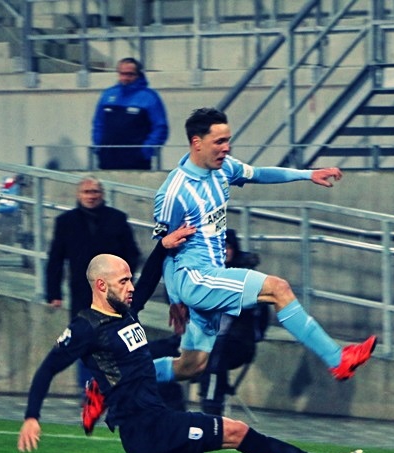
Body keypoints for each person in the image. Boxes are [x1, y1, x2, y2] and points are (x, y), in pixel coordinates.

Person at [17, 253, 363, 453]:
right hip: (149, 427)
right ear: (101, 285)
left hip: (148, 432)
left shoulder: (125, 313)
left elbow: (150, 276)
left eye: (130, 279)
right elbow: (48, 368)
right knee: (237, 431)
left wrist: (165, 244)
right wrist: (32, 416)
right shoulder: (84, 328)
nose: (132, 286)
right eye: (124, 281)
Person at [152, 107, 377, 386]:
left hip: (211, 277)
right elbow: (164, 249)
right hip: (196, 279)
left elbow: (259, 173)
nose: (227, 147)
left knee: (191, 366)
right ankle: (337, 359)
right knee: (277, 288)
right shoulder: (174, 193)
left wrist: (308, 174)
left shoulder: (224, 170)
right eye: (219, 142)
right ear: (197, 143)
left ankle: (112, 381)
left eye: (228, 140)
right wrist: (174, 297)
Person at [46, 176, 142, 388]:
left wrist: (123, 282)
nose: (91, 196)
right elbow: (56, 258)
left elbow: (132, 254)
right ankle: (88, 390)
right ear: (78, 195)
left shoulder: (117, 219)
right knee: (84, 341)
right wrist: (53, 293)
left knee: (114, 340)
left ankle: (113, 389)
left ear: (102, 194)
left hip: (113, 295)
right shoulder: (65, 222)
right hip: (82, 294)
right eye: (87, 192)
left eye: (95, 192)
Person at [196, 229, 270, 415]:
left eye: (228, 247)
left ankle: (211, 407)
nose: (224, 252)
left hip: (236, 341)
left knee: (216, 352)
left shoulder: (245, 276)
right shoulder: (203, 272)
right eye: (220, 248)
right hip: (202, 338)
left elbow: (260, 311)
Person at [91, 57, 168, 170]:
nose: (125, 78)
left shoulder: (149, 97)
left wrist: (145, 152)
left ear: (138, 74)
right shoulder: (108, 95)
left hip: (137, 161)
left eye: (130, 74)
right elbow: (98, 124)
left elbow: (160, 128)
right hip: (107, 159)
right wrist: (99, 146)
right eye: (122, 74)